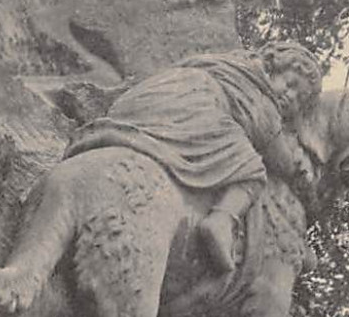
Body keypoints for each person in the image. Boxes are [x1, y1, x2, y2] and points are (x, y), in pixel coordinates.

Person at [64, 41, 322, 272]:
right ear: (271, 66)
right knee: (253, 169)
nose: (290, 96)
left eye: (299, 98)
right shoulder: (258, 92)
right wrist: (297, 167)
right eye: (290, 84)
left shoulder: (225, 63)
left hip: (143, 105)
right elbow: (275, 150)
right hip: (192, 111)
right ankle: (221, 219)